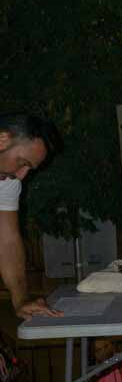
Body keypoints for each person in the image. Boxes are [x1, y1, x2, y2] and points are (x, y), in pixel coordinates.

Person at [0, 113, 61, 321]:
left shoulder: (7, 182)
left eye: (29, 168)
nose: (21, 175)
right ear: (2, 139)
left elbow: (8, 241)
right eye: (22, 162)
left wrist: (21, 300)